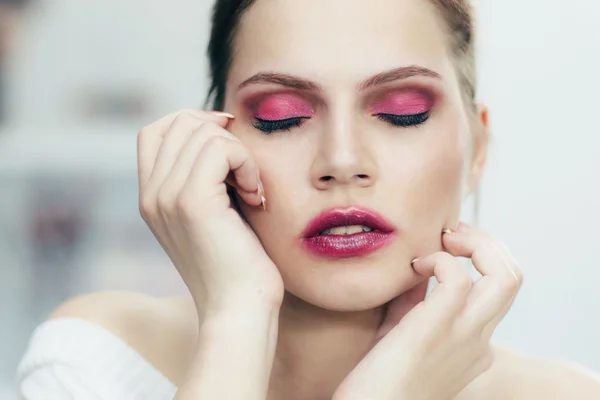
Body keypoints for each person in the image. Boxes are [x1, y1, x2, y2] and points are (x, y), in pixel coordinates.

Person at [16, 0, 600, 399]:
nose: (341, 160)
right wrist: (236, 319)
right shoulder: (99, 360)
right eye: (282, 117)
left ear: (477, 150)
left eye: (402, 113)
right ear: (216, 148)